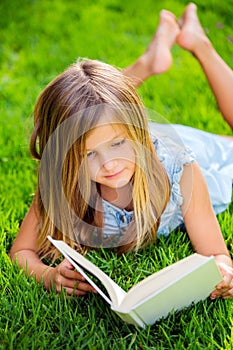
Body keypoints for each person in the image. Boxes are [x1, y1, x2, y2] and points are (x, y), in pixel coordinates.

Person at [10, 3, 233, 300]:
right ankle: (151, 61)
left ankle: (199, 44)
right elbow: (21, 251)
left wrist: (222, 272)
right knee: (94, 108)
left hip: (202, 154)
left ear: (138, 133)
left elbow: (217, 254)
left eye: (117, 145)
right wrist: (49, 276)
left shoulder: (180, 168)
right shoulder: (61, 180)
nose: (110, 163)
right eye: (89, 154)